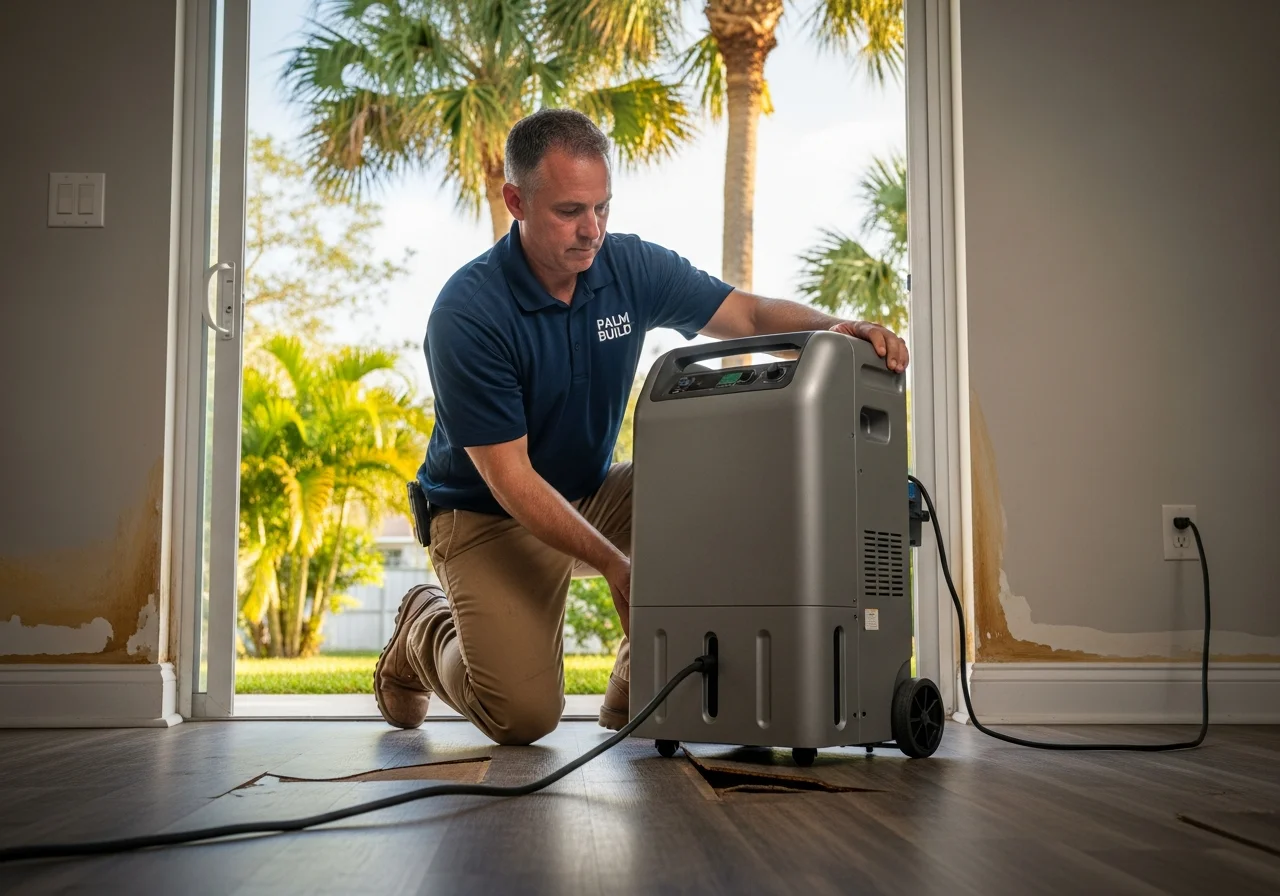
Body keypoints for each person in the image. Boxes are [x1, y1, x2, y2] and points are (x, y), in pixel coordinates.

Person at [374, 109, 909, 745]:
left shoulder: (628, 268)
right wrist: (617, 566)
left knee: (719, 484)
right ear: (515, 201)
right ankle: (423, 627)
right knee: (522, 717)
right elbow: (511, 479)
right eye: (570, 211)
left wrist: (835, 327)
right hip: (487, 517)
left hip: (592, 493)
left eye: (603, 207)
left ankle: (641, 683)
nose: (591, 230)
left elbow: (747, 313)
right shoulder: (470, 311)